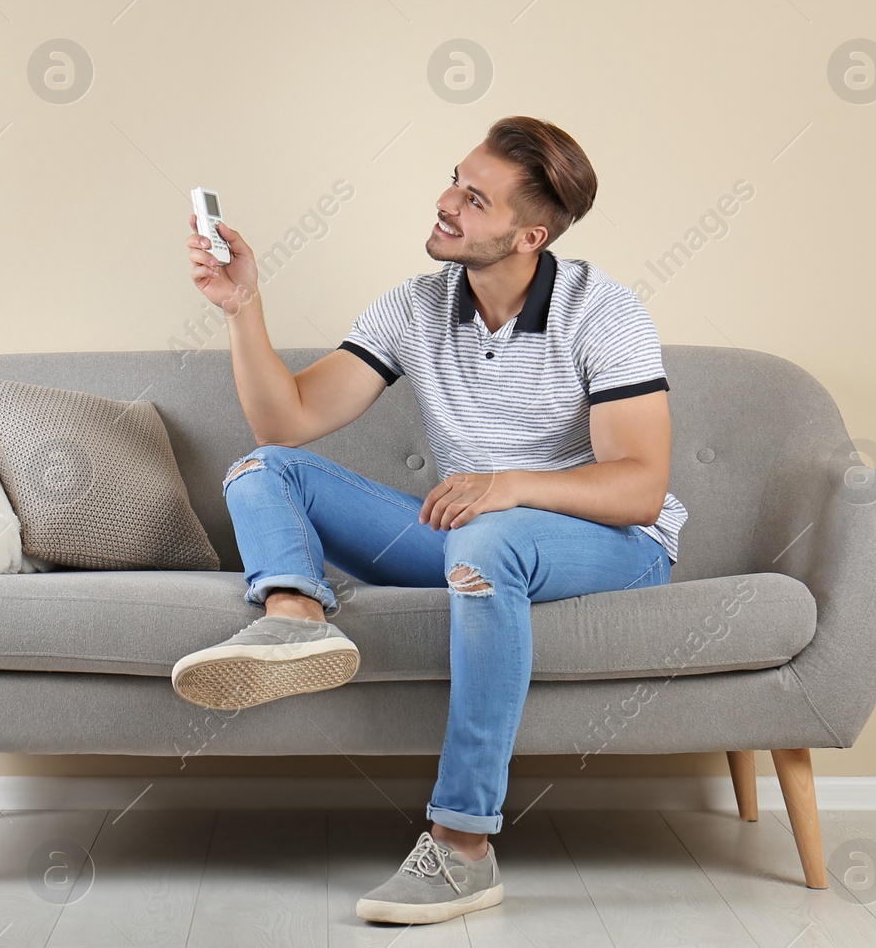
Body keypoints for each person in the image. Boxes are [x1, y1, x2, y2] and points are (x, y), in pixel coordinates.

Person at [170, 115, 687, 926]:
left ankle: (462, 848)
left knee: (485, 540)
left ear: (530, 235)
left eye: (475, 200)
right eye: (456, 179)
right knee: (260, 470)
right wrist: (243, 305)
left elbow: (639, 491)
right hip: (474, 535)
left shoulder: (603, 312)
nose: (447, 203)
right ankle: (296, 617)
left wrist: (508, 484)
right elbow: (288, 420)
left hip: (611, 544)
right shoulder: (415, 306)